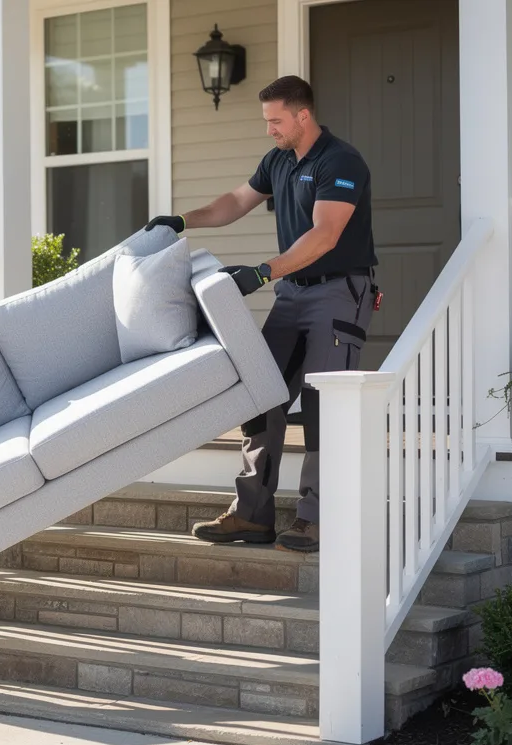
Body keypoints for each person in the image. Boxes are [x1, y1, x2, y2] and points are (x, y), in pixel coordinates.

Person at [145, 75, 378, 554]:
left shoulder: (341, 161)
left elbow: (325, 235)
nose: (269, 129)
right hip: (293, 293)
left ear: (302, 116)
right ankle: (252, 515)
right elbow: (234, 202)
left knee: (322, 406)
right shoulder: (278, 161)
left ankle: (316, 518)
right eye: (266, 121)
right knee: (261, 394)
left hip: (338, 292)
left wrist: (262, 272)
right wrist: (181, 221)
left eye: (276, 121)